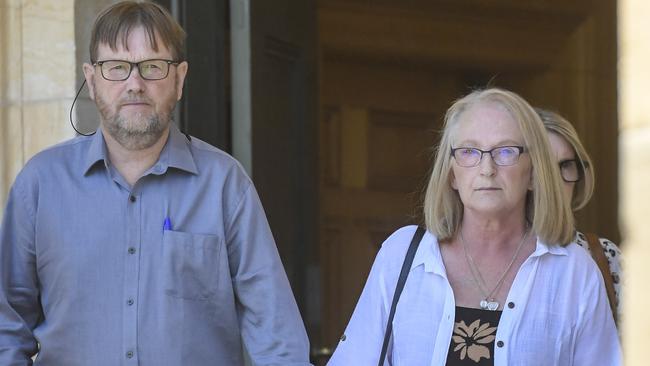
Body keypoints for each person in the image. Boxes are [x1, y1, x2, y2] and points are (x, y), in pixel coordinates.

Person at [0, 2, 310, 365]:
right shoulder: (40, 184)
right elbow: (7, 324)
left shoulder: (225, 185)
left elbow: (276, 336)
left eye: (152, 67)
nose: (135, 84)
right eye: (116, 67)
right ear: (93, 78)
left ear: (179, 79)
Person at [327, 88, 620, 365]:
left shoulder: (574, 271)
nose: (487, 168)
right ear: (452, 174)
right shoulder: (404, 254)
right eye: (469, 151)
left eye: (506, 151)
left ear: (533, 174)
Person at [538, 108, 623, 320]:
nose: (555, 181)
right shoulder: (489, 259)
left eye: (566, 165)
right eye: (544, 167)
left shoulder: (605, 256)